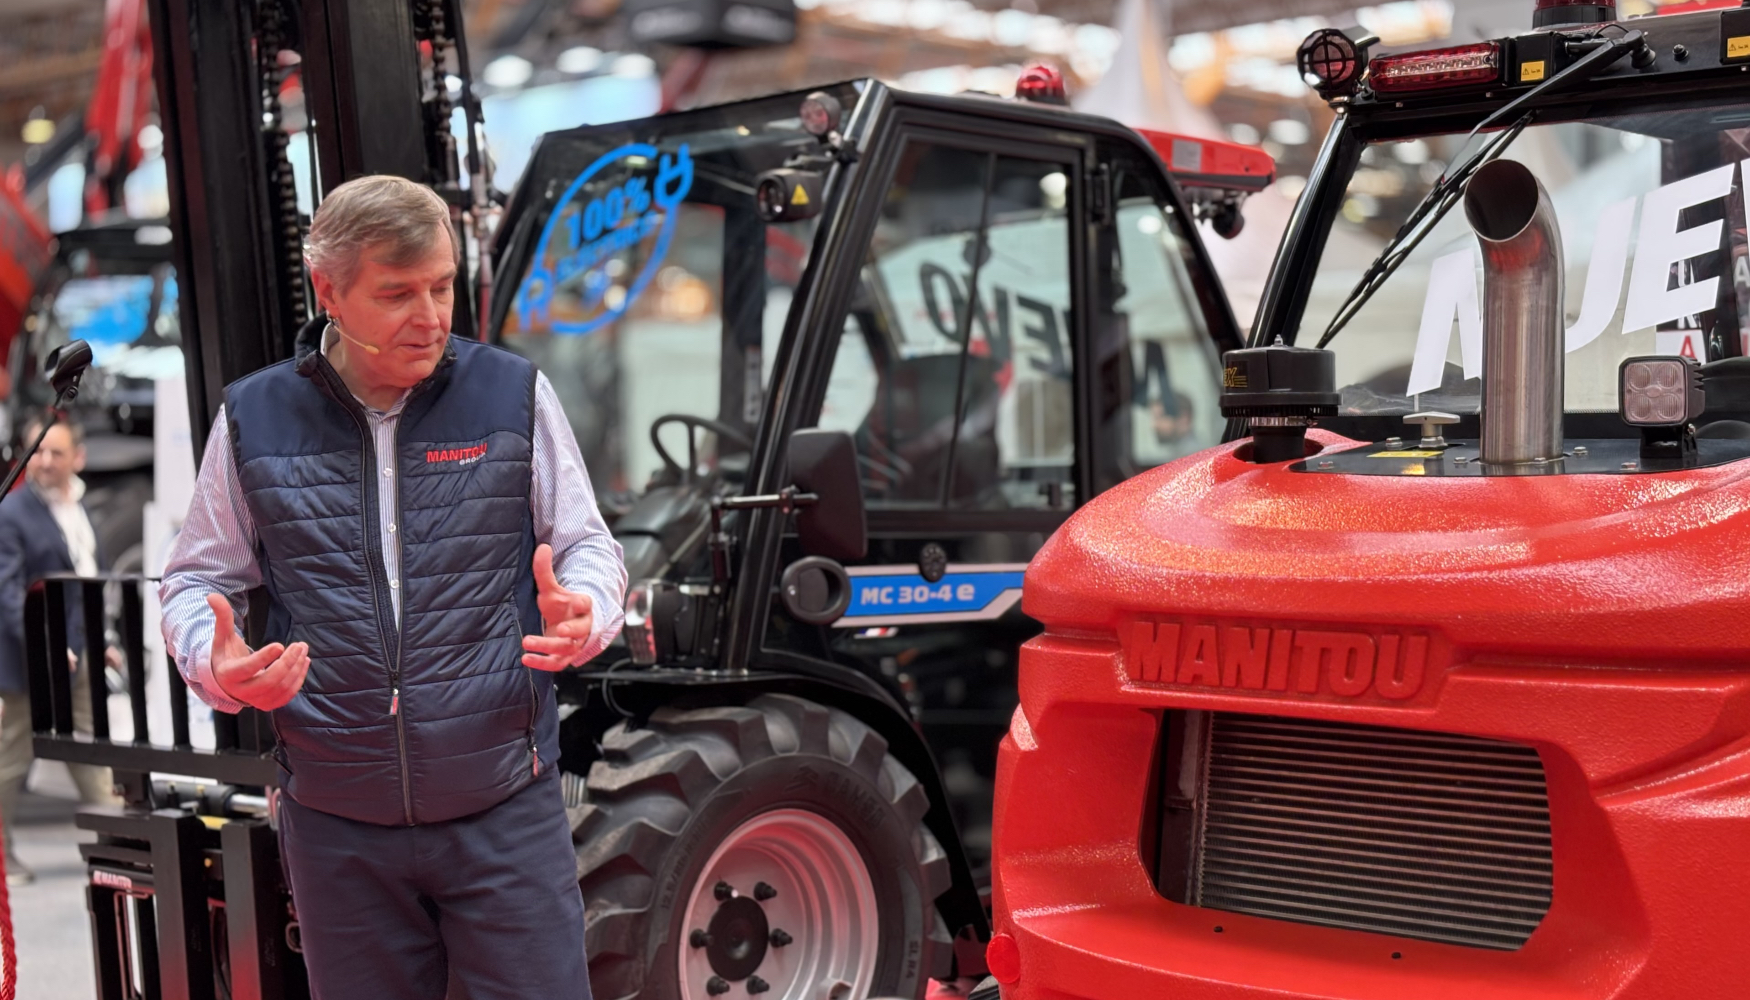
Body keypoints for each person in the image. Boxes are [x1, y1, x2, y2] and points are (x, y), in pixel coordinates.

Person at [158, 175, 626, 999]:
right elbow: (197, 576)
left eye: (442, 286)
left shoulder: (511, 395)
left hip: (503, 811)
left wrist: (587, 609)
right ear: (329, 289)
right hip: (339, 829)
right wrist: (212, 660)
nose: (432, 316)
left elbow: (586, 543)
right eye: (398, 293)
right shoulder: (253, 420)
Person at [0, 417, 121, 887]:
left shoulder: (80, 507)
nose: (44, 462)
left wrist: (104, 639)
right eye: (37, 453)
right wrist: (45, 644)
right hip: (29, 661)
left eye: (54, 452)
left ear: (78, 457)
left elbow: (92, 580)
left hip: (81, 652)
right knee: (11, 761)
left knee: (92, 750)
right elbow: (8, 594)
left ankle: (120, 841)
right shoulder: (13, 513)